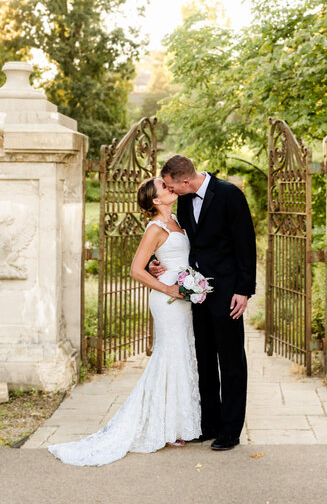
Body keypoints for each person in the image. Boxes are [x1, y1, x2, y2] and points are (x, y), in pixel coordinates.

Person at [47, 177, 201, 466]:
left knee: (182, 353)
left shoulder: (177, 219)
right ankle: (163, 427)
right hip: (167, 299)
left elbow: (173, 257)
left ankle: (177, 424)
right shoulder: (155, 228)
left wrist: (183, 280)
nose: (170, 188)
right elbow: (135, 269)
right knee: (169, 355)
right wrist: (167, 287)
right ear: (156, 201)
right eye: (165, 188)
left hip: (182, 296)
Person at [150, 155, 256, 451]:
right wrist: (156, 263)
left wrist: (243, 290)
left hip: (227, 292)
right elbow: (176, 240)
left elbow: (245, 244)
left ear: (185, 180)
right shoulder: (183, 200)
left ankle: (230, 430)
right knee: (204, 359)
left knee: (231, 360)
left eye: (172, 186)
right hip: (194, 293)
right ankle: (209, 424)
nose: (171, 191)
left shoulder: (229, 195)